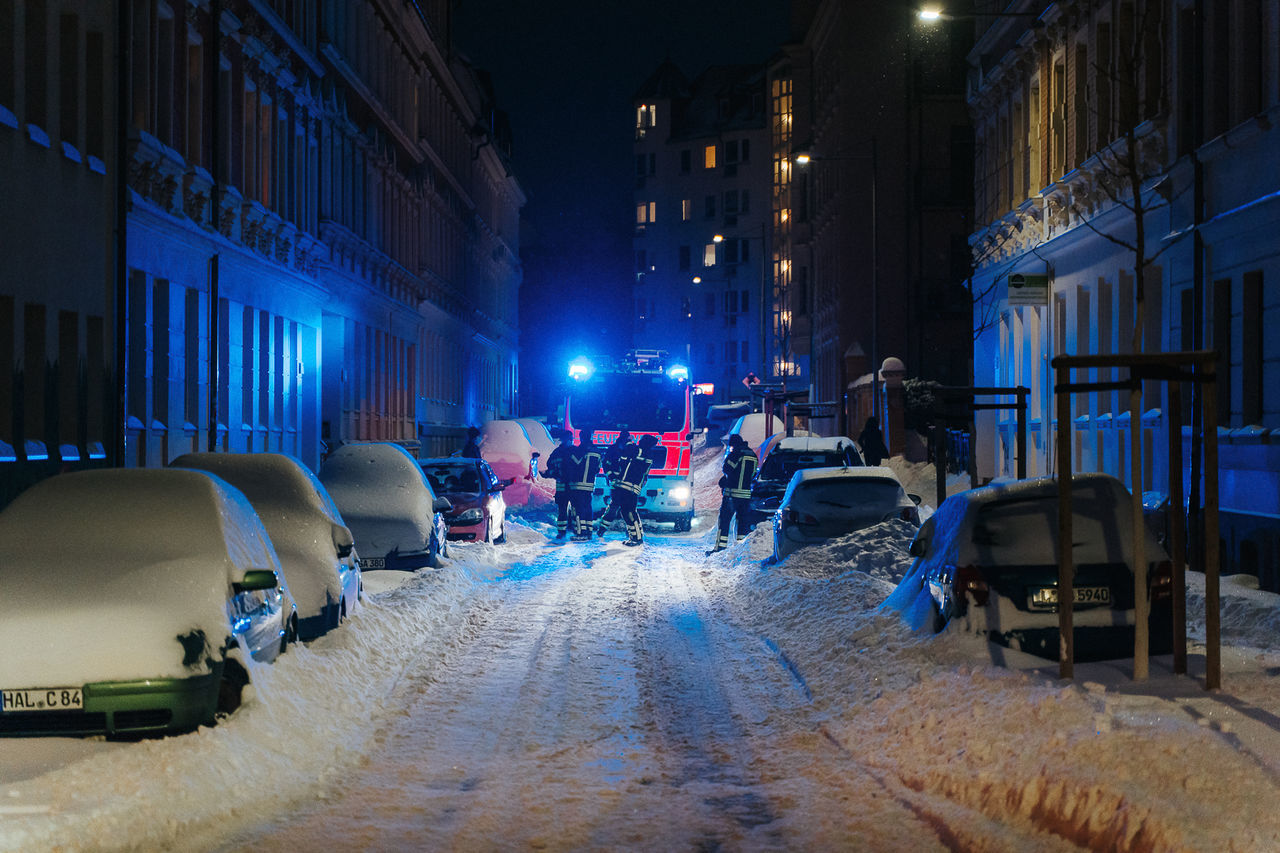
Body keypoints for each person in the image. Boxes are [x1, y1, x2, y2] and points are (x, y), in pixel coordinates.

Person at [709, 434, 757, 554]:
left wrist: (726, 480)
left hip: (732, 495)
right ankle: (740, 550)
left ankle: (720, 548)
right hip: (746, 496)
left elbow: (727, 469)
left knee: (724, 521)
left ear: (733, 444)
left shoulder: (736, 453)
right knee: (742, 523)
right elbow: (753, 475)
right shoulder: (753, 455)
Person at [610, 434, 660, 546]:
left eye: (641, 440)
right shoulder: (646, 453)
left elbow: (629, 450)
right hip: (630, 487)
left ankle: (636, 538)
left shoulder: (641, 452)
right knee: (628, 512)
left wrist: (628, 440)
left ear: (645, 443)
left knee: (629, 513)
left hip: (629, 487)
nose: (639, 441)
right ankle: (636, 536)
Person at [596, 431, 636, 536]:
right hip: (617, 483)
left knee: (628, 508)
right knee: (615, 506)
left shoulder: (632, 449)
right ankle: (602, 529)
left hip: (627, 483)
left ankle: (631, 532)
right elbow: (605, 464)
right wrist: (611, 476)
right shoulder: (613, 449)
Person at [566, 428, 603, 541]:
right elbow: (597, 469)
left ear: (581, 437)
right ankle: (589, 531)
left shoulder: (580, 449)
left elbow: (574, 463)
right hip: (590, 485)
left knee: (578, 508)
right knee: (587, 507)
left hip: (578, 484)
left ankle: (581, 533)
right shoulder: (597, 451)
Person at [543, 429, 576, 539]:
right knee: (568, 509)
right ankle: (572, 530)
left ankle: (563, 532)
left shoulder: (557, 452)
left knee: (564, 510)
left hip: (563, 487)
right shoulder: (575, 451)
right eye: (570, 439)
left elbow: (550, 467)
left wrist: (553, 474)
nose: (571, 441)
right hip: (572, 487)